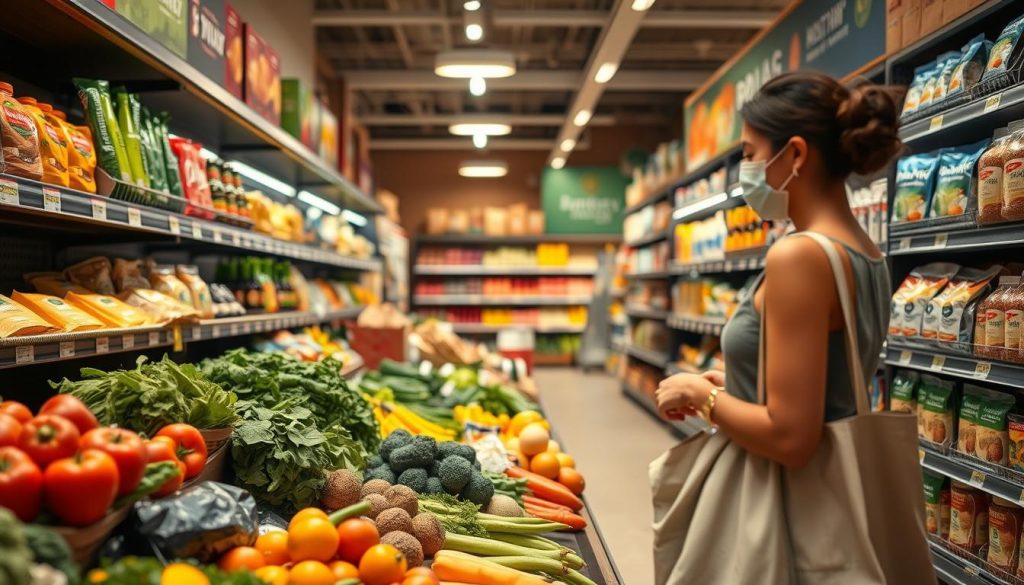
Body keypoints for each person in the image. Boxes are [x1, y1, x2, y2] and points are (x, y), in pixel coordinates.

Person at [653, 72, 933, 583]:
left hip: (786, 514)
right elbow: (829, 391)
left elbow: (791, 437)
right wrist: (737, 384)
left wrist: (701, 394)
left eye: (750, 153)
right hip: (838, 502)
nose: (746, 171)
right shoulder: (866, 253)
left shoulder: (799, 256)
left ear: (796, 154)